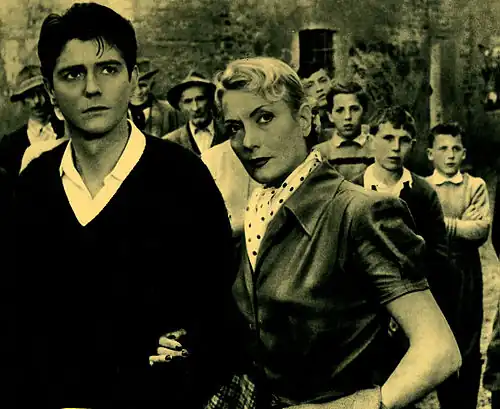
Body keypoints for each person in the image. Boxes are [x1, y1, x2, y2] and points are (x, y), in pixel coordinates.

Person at [155, 57, 461, 409]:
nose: (248, 141)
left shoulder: (359, 212)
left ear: (303, 119)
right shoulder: (253, 214)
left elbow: (439, 350)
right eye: (235, 127)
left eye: (264, 118)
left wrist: (350, 407)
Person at [7, 3, 236, 408]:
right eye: (73, 74)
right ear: (51, 90)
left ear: (132, 79)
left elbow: (215, 324)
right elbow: (18, 325)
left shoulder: (184, 180)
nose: (92, 88)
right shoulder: (32, 189)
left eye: (108, 69)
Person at [351, 106, 455, 392]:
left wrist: (408, 305)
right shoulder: (352, 190)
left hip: (410, 306)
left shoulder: (422, 193)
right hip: (363, 311)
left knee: (404, 387)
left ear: (413, 144)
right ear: (370, 139)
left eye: (404, 140)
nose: (395, 148)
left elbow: (437, 255)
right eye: (387, 138)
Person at [426, 121, 491, 409]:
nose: (450, 155)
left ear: (464, 153)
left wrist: (441, 224)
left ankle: (467, 403)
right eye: (443, 149)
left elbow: (479, 229)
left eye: (456, 149)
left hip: (467, 270)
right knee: (442, 338)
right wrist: (460, 224)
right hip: (435, 270)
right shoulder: (423, 187)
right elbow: (420, 231)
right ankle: (447, 401)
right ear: (431, 154)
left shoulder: (475, 186)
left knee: (469, 340)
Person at [0, 64, 65, 181]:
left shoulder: (67, 130)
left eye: (40, 92)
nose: (37, 101)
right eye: (30, 96)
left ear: (49, 92)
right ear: (23, 100)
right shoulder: (10, 145)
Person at [313, 81, 374, 181]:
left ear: (364, 112)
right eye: (340, 110)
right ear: (330, 116)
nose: (347, 117)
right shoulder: (320, 153)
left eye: (354, 109)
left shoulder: (376, 147)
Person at [162, 70, 226, 155]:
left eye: (200, 99)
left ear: (211, 100)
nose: (195, 108)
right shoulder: (169, 143)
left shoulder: (229, 134)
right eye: (188, 101)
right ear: (180, 107)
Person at [128, 57, 185, 137]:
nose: (138, 91)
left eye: (143, 85)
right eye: (133, 87)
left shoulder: (168, 111)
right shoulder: (118, 113)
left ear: (151, 84)